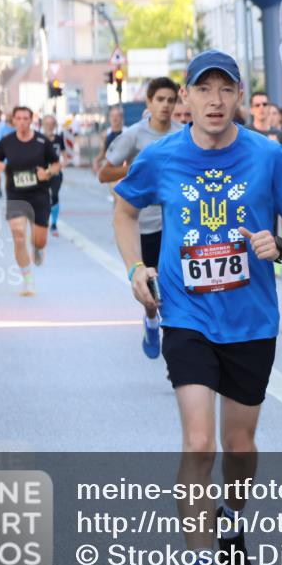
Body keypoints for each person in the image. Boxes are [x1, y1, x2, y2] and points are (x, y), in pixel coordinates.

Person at [112, 49, 282, 565]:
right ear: (187, 99)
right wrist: (136, 270)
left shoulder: (268, 156)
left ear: (238, 96)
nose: (216, 100)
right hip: (187, 316)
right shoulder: (162, 156)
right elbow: (124, 210)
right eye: (205, 90)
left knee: (240, 448)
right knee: (199, 442)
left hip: (251, 320)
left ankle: (231, 518)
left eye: (226, 90)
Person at [99, 77, 182, 358]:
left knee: (174, 289)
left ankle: (178, 355)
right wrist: (136, 171)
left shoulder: (183, 134)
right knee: (152, 292)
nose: (166, 106)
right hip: (141, 224)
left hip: (172, 224)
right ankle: (150, 319)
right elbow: (104, 173)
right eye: (160, 100)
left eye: (171, 100)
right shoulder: (134, 135)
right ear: (149, 102)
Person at [0, 106, 61, 296]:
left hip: (39, 195)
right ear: (13, 121)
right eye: (18, 118)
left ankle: (37, 248)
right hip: (16, 195)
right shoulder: (6, 142)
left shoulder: (41, 141)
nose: (22, 122)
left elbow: (56, 164)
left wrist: (47, 173)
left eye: (25, 118)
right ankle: (27, 280)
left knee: (39, 240)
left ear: (31, 120)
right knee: (18, 235)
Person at [41, 114, 69, 236]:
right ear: (42, 125)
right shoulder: (39, 138)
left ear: (55, 126)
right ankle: (44, 221)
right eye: (46, 124)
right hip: (43, 173)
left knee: (54, 195)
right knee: (43, 197)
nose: (49, 127)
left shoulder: (58, 139)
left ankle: (54, 223)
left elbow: (65, 155)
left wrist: (62, 164)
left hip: (56, 173)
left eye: (51, 124)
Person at [93, 106, 125, 174]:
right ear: (109, 118)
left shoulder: (127, 133)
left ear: (121, 118)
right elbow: (103, 153)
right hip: (111, 171)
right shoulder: (106, 135)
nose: (114, 118)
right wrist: (96, 161)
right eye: (112, 116)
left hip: (124, 171)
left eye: (117, 116)